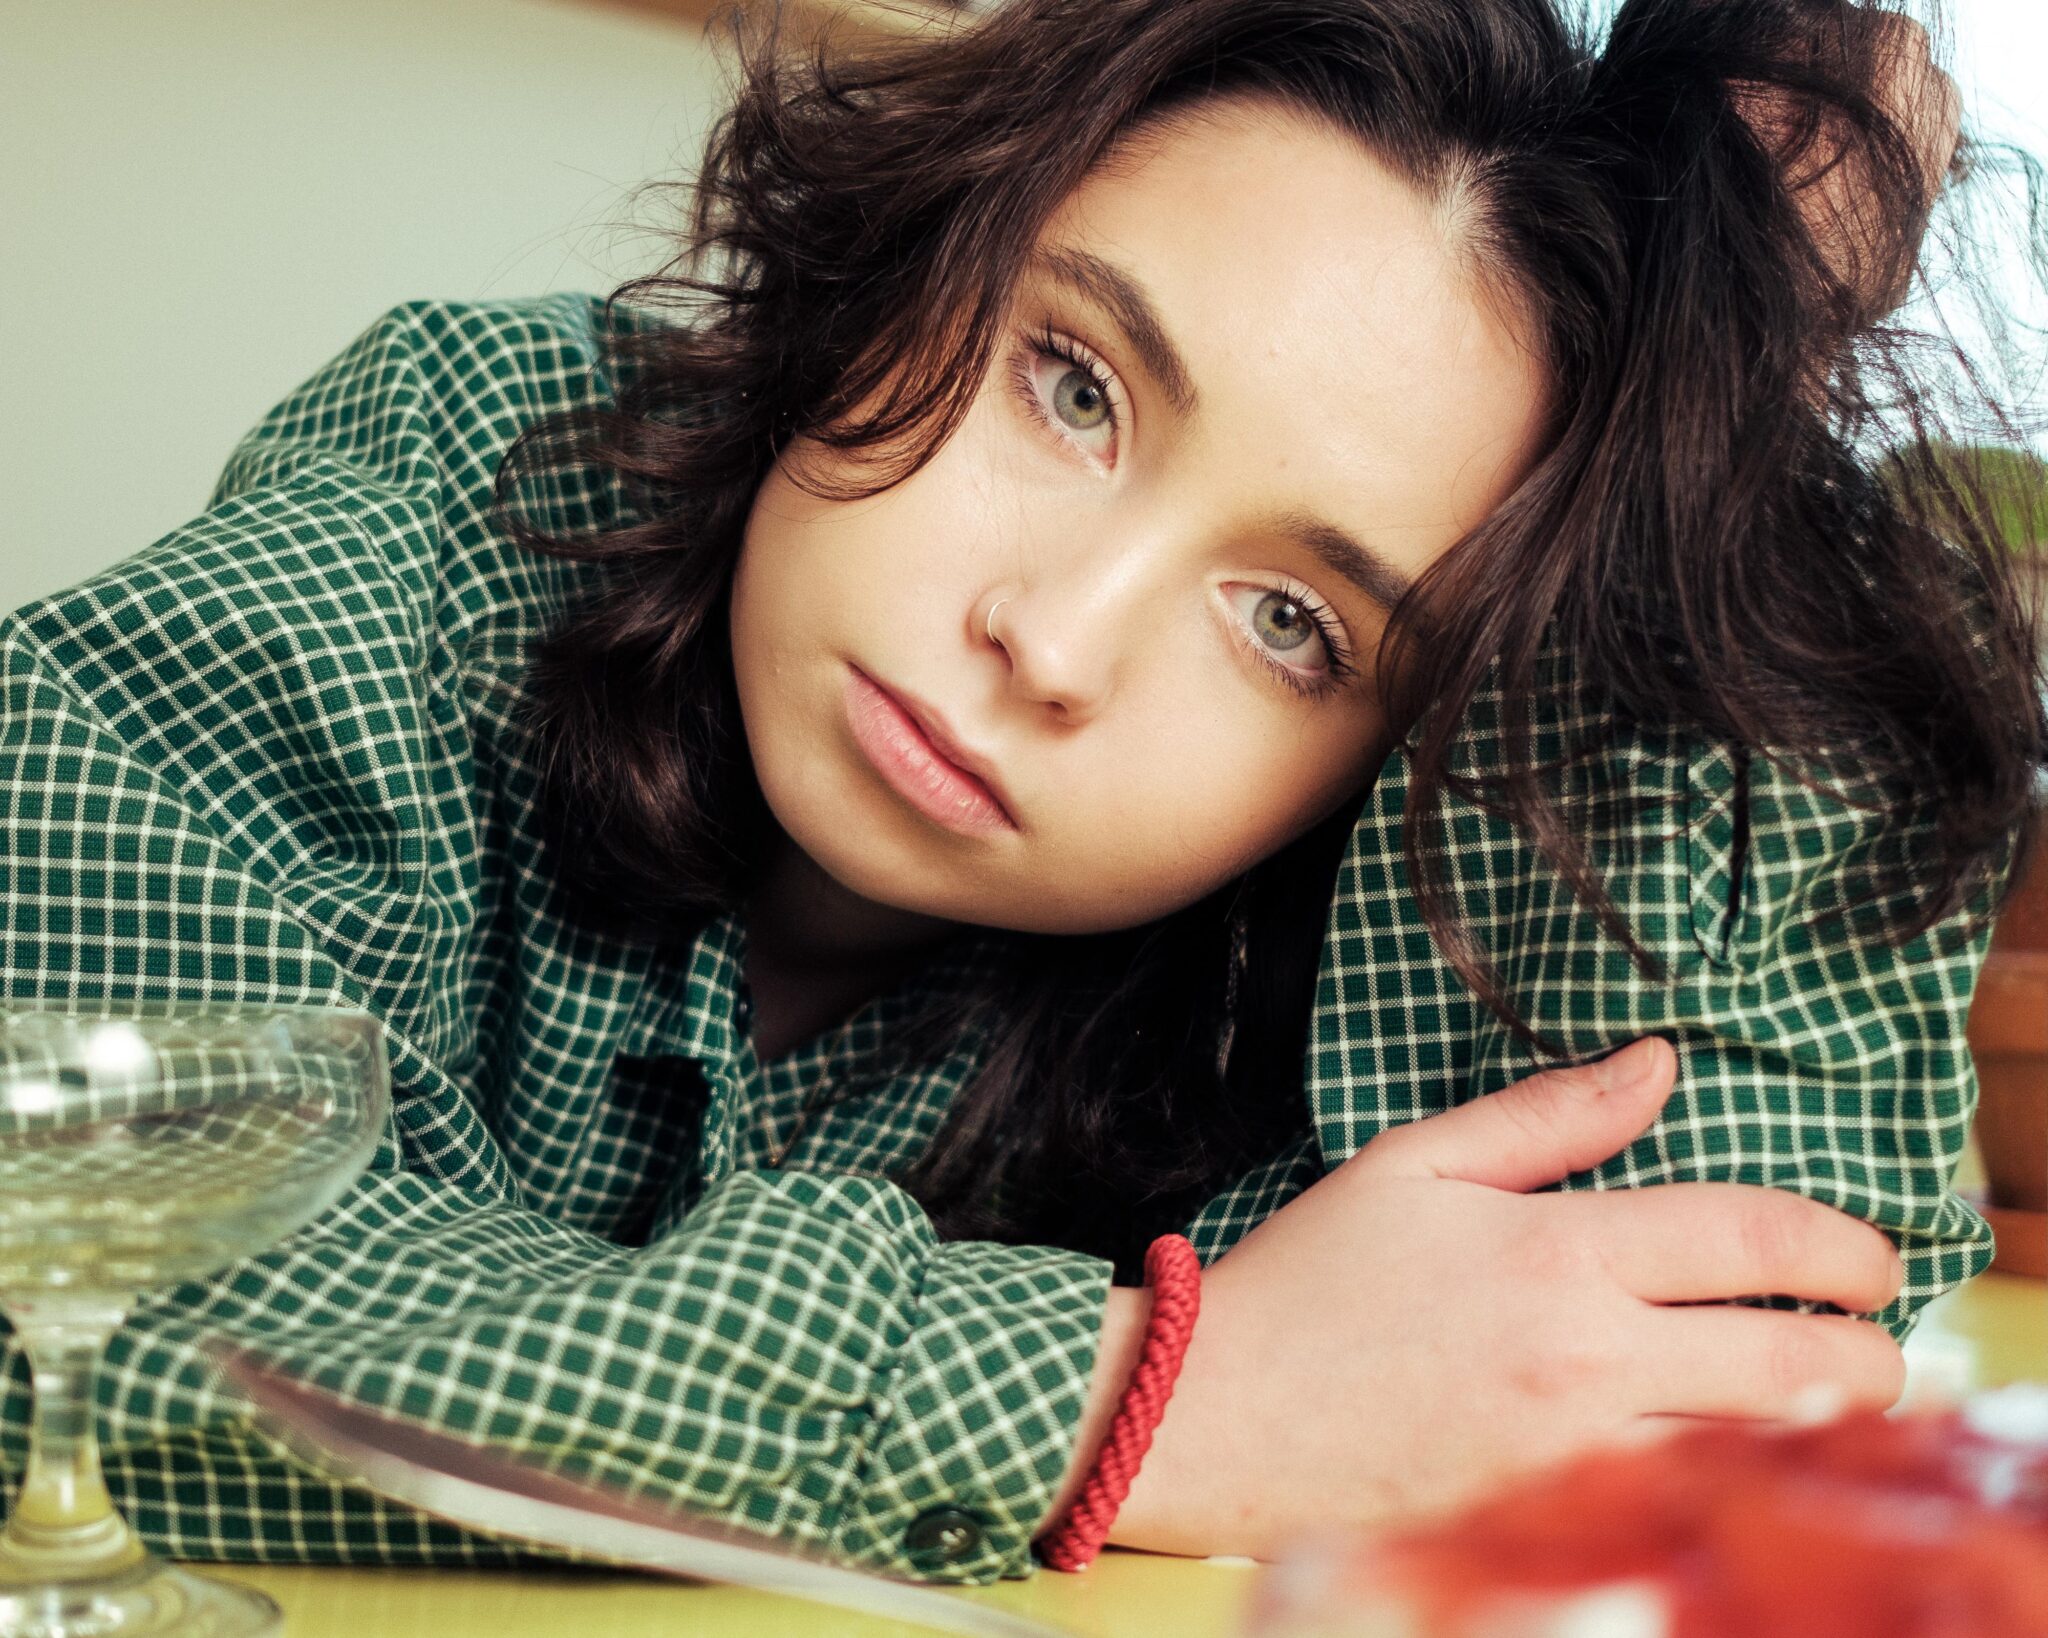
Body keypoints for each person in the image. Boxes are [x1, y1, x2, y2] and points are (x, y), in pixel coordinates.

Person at [0, 0, 2039, 1583]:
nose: (1053, 641)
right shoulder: (465, 478)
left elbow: (1714, 1371)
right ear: (921, 252)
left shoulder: (1340, 925)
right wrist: (1142, 1399)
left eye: (1291, 626)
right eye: (1072, 389)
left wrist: (1729, 409)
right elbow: (65, 1265)